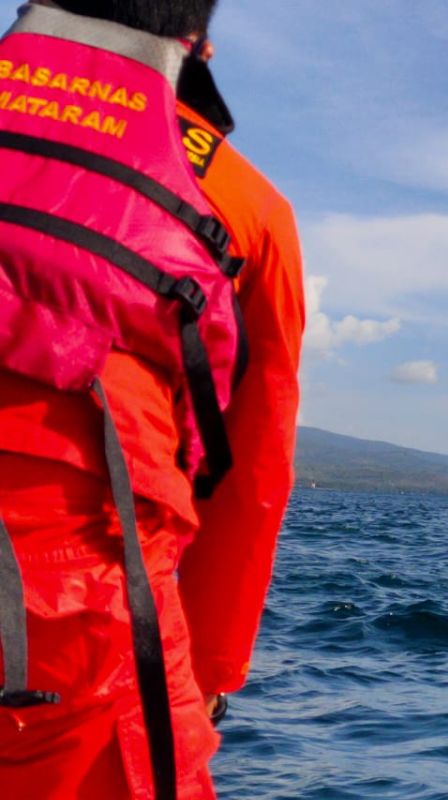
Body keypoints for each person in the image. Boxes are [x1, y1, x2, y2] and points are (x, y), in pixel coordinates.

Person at [0, 2, 305, 798]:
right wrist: (208, 671)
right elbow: (252, 473)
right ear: (197, 45)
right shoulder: (248, 207)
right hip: (81, 611)